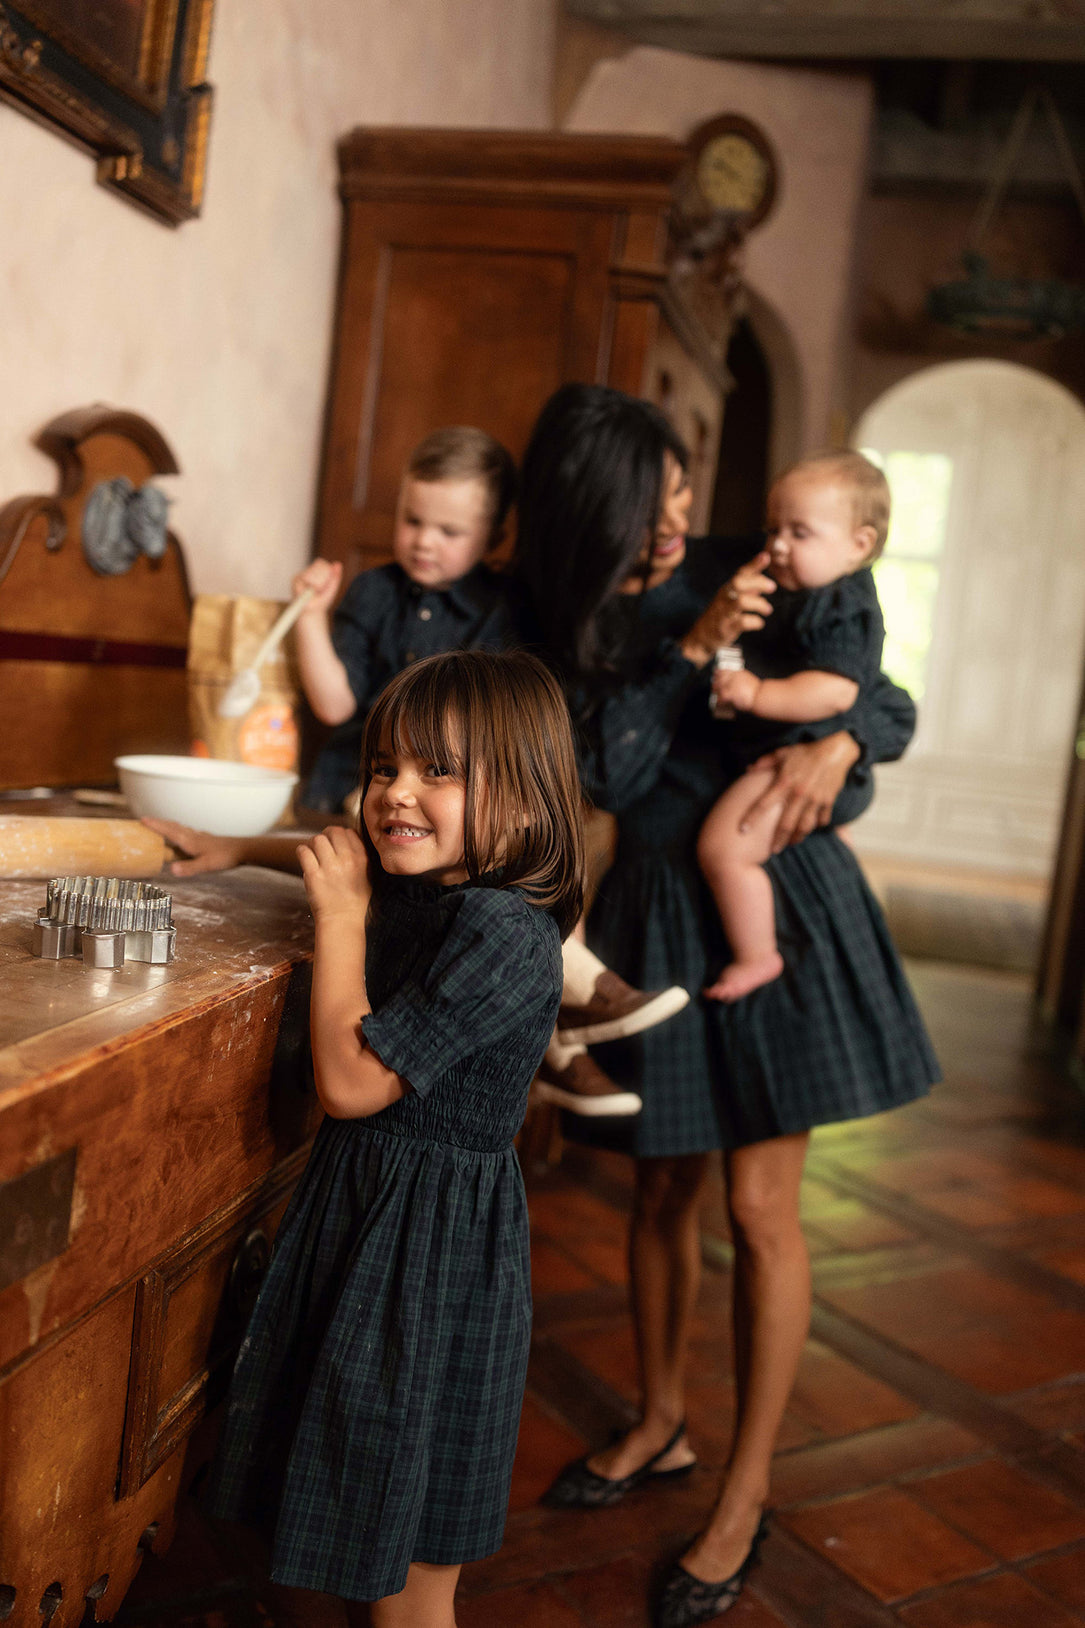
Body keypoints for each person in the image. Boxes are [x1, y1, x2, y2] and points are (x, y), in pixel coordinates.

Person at [515, 384, 938, 1628]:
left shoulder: (755, 560)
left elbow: (885, 697)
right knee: (659, 1186)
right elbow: (607, 771)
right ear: (597, 506)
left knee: (760, 1208)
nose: (685, 520)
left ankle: (744, 1488)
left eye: (688, 495)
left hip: (774, 896)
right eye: (659, 501)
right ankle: (661, 1420)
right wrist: (695, 645)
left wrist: (840, 747)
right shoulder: (557, 621)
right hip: (654, 904)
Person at [205, 648, 584, 1628]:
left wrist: (338, 915)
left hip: (430, 1261)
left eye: (438, 771)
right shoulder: (428, 891)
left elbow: (349, 1084)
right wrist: (221, 847)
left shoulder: (502, 929)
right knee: (325, 1522)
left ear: (528, 799)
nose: (396, 793)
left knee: (404, 1588)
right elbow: (334, 852)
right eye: (384, 768)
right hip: (365, 1223)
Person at [698, 451, 891, 1002]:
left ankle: (757, 954)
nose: (778, 543)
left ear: (860, 545)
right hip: (785, 755)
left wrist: (758, 693)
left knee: (722, 850)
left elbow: (836, 689)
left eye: (800, 532)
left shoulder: (843, 608)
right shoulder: (798, 589)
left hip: (800, 754)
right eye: (774, 526)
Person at [294, 426, 518, 815]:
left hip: (441, 798)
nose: (424, 541)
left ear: (492, 540)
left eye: (449, 531)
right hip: (346, 779)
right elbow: (333, 707)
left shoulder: (502, 608)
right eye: (413, 520)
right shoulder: (372, 591)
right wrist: (310, 616)